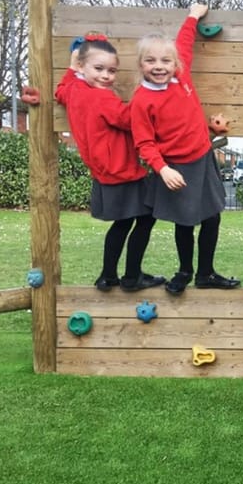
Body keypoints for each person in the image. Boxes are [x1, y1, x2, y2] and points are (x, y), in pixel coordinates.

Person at [130, 4, 240, 295]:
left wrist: (192, 16)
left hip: (203, 158)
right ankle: (185, 271)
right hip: (176, 167)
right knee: (184, 222)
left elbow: (184, 43)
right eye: (150, 60)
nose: (159, 66)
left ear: (174, 63)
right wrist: (163, 169)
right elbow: (144, 142)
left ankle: (206, 273)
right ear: (141, 64)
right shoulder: (141, 100)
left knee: (212, 216)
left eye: (166, 60)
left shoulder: (181, 77)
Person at [55, 34, 164, 293]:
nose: (106, 76)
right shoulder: (103, 98)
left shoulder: (73, 91)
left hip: (104, 171)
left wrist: (72, 65)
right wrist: (150, 88)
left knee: (124, 222)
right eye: (99, 69)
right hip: (121, 170)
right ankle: (131, 276)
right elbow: (130, 120)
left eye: (112, 71)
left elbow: (60, 90)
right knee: (146, 218)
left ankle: (108, 276)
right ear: (83, 67)